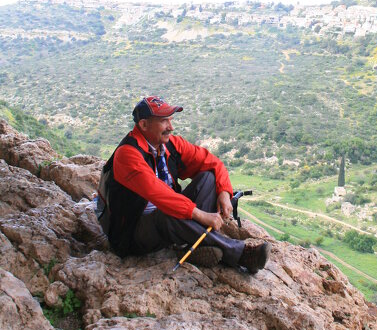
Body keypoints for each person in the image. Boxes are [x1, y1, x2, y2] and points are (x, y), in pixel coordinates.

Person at [102, 95, 270, 272]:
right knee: (166, 213)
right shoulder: (128, 155)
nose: (171, 127)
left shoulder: (170, 145)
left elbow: (213, 163)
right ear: (144, 125)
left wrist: (224, 193)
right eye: (163, 121)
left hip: (169, 218)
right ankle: (240, 254)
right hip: (133, 233)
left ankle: (195, 244)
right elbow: (161, 196)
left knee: (209, 178)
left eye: (170, 120)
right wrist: (199, 214)